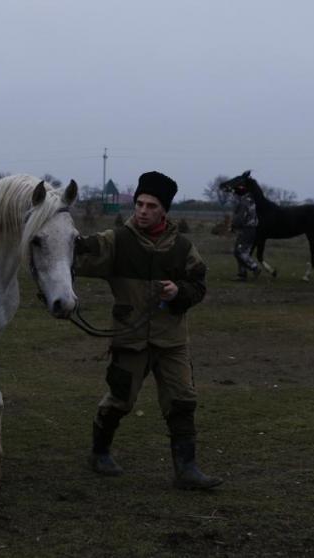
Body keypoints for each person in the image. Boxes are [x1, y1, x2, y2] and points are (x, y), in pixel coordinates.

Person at [74, 171, 222, 490]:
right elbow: (76, 253)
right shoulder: (116, 241)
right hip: (130, 339)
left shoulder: (183, 247)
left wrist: (178, 292)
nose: (142, 210)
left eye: (150, 205)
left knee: (182, 400)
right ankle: (99, 453)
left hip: (172, 341)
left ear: (163, 210)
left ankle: (187, 469)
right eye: (139, 203)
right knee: (120, 400)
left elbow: (198, 286)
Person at [231, 184, 261, 280]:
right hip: (252, 230)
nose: (235, 195)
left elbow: (239, 218)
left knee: (239, 251)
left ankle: (254, 267)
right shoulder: (251, 201)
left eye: (235, 193)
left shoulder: (243, 203)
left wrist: (234, 226)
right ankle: (242, 274)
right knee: (242, 251)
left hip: (246, 230)